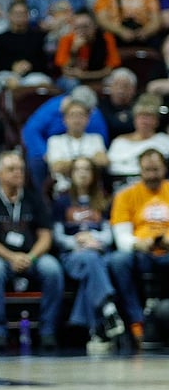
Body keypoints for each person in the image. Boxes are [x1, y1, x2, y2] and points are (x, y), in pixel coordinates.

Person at [0, 151, 64, 354]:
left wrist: (31, 256)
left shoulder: (35, 200)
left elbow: (45, 236)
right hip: (1, 257)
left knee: (52, 269)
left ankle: (48, 330)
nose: (18, 173)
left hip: (32, 256)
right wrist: (11, 257)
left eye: (21, 169)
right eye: (11, 169)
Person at [50, 157, 126, 354]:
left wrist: (94, 240)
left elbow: (110, 235)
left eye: (86, 170)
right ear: (71, 174)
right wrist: (77, 240)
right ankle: (108, 310)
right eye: (77, 170)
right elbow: (58, 237)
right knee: (91, 261)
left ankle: (96, 331)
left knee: (92, 268)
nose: (82, 173)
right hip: (72, 255)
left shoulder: (103, 201)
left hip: (98, 253)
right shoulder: (62, 202)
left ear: (93, 175)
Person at [106, 147, 169, 349]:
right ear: (140, 170)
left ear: (164, 169)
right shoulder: (126, 195)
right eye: (147, 169)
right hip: (141, 251)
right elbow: (121, 235)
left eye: (156, 169)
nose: (152, 174)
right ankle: (136, 322)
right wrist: (139, 243)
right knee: (118, 260)